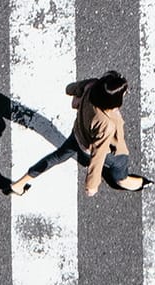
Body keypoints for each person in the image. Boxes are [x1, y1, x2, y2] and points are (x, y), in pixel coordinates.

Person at [9, 72, 147, 198]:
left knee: (57, 157)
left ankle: (19, 184)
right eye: (123, 93)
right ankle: (140, 183)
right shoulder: (106, 123)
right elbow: (98, 155)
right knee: (120, 173)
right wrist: (91, 185)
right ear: (113, 100)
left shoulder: (92, 86)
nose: (125, 94)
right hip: (101, 149)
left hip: (78, 134)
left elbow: (70, 89)